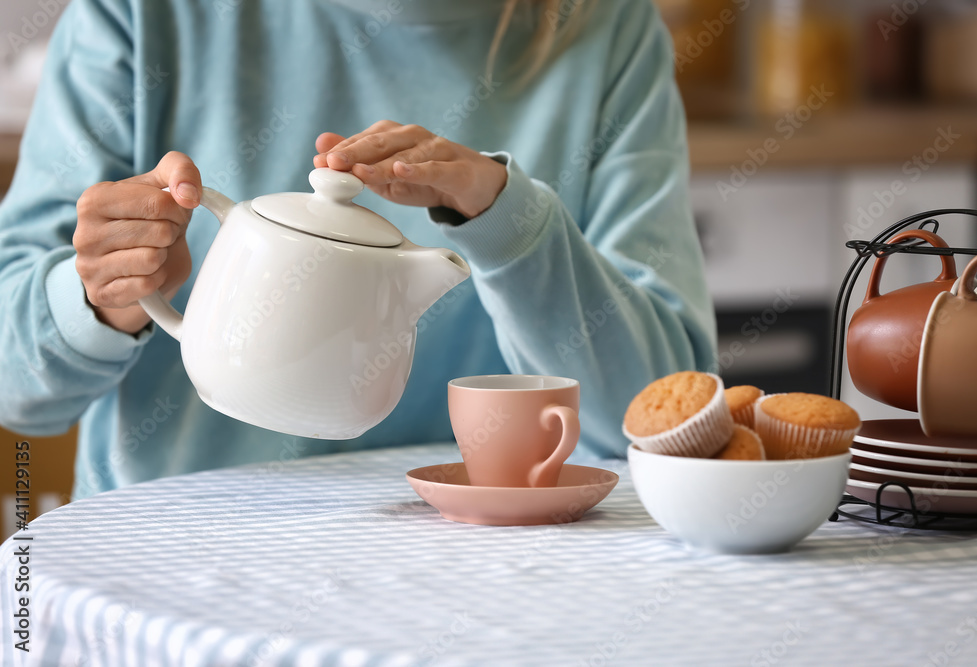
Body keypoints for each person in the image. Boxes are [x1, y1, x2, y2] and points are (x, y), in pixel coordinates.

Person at [0, 0, 716, 499]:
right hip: (169, 572)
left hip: (476, 567)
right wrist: (102, 295)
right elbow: (13, 386)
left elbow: (662, 417)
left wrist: (510, 221)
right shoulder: (140, 15)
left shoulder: (605, 28)